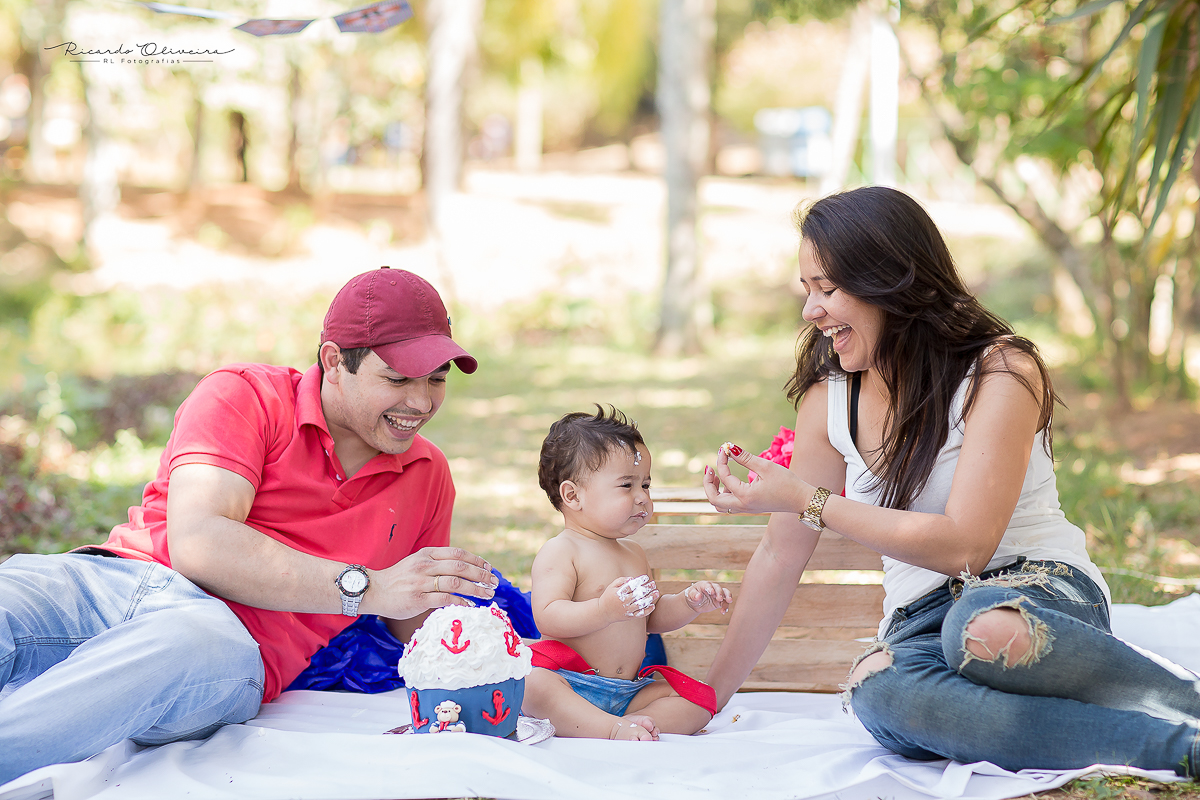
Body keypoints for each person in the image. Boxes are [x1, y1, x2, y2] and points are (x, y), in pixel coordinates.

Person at [701, 186, 1200, 778]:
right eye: (807, 289)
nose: (811, 310)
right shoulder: (828, 402)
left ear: (892, 281)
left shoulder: (999, 372)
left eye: (828, 289)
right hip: (919, 623)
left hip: (1036, 590)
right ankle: (1177, 748)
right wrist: (705, 699)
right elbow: (780, 556)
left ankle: (1183, 714)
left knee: (981, 629)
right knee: (877, 689)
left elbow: (967, 547)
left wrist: (809, 500)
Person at [0, 267, 500, 784]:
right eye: (397, 378)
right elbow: (200, 544)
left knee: (185, 646)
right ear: (333, 362)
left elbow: (411, 618)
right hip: (110, 582)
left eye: (437, 379)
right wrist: (369, 587)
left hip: (228, 642)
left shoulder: (428, 475)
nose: (421, 403)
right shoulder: (244, 394)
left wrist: (469, 627)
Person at [522, 407, 731, 741]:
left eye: (645, 484)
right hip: (572, 682)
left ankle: (629, 722)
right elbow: (548, 617)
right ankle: (606, 727)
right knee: (533, 685)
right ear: (573, 495)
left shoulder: (634, 554)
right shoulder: (562, 551)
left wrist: (689, 603)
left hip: (627, 691)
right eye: (626, 485)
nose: (642, 498)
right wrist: (604, 610)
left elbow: (649, 617)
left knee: (699, 700)